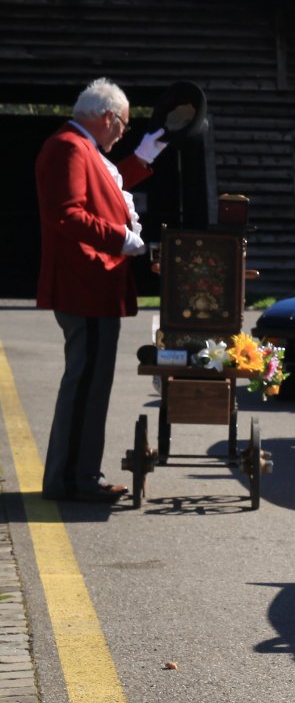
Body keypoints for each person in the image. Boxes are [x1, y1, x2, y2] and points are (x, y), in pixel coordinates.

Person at [36, 78, 167, 502]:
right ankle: (73, 479)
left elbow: (106, 186)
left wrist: (141, 160)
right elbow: (68, 214)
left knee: (90, 386)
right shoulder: (70, 147)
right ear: (108, 117)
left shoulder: (81, 147)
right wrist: (120, 238)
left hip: (90, 285)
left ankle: (76, 475)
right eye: (123, 125)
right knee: (86, 387)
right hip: (85, 284)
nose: (123, 133)